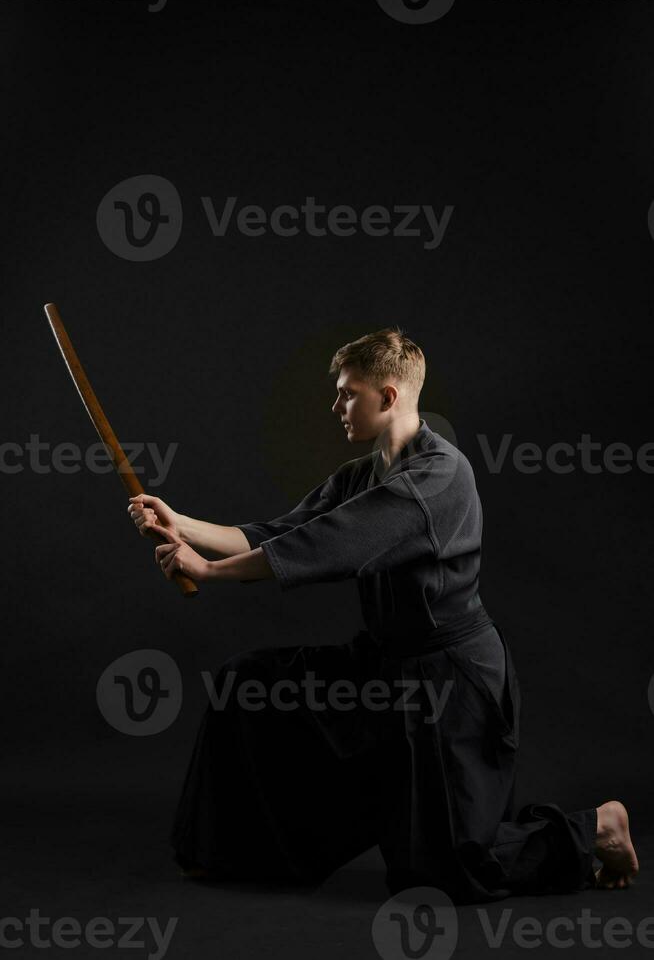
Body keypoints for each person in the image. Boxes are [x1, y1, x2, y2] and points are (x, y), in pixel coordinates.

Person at [127, 327, 639, 903]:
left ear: (389, 396)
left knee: (447, 874)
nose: (336, 405)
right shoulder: (358, 475)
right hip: (383, 667)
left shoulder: (440, 476)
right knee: (248, 684)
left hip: (450, 683)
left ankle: (596, 826)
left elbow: (327, 544)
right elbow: (279, 533)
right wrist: (180, 522)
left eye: (348, 393)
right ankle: (228, 855)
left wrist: (209, 572)